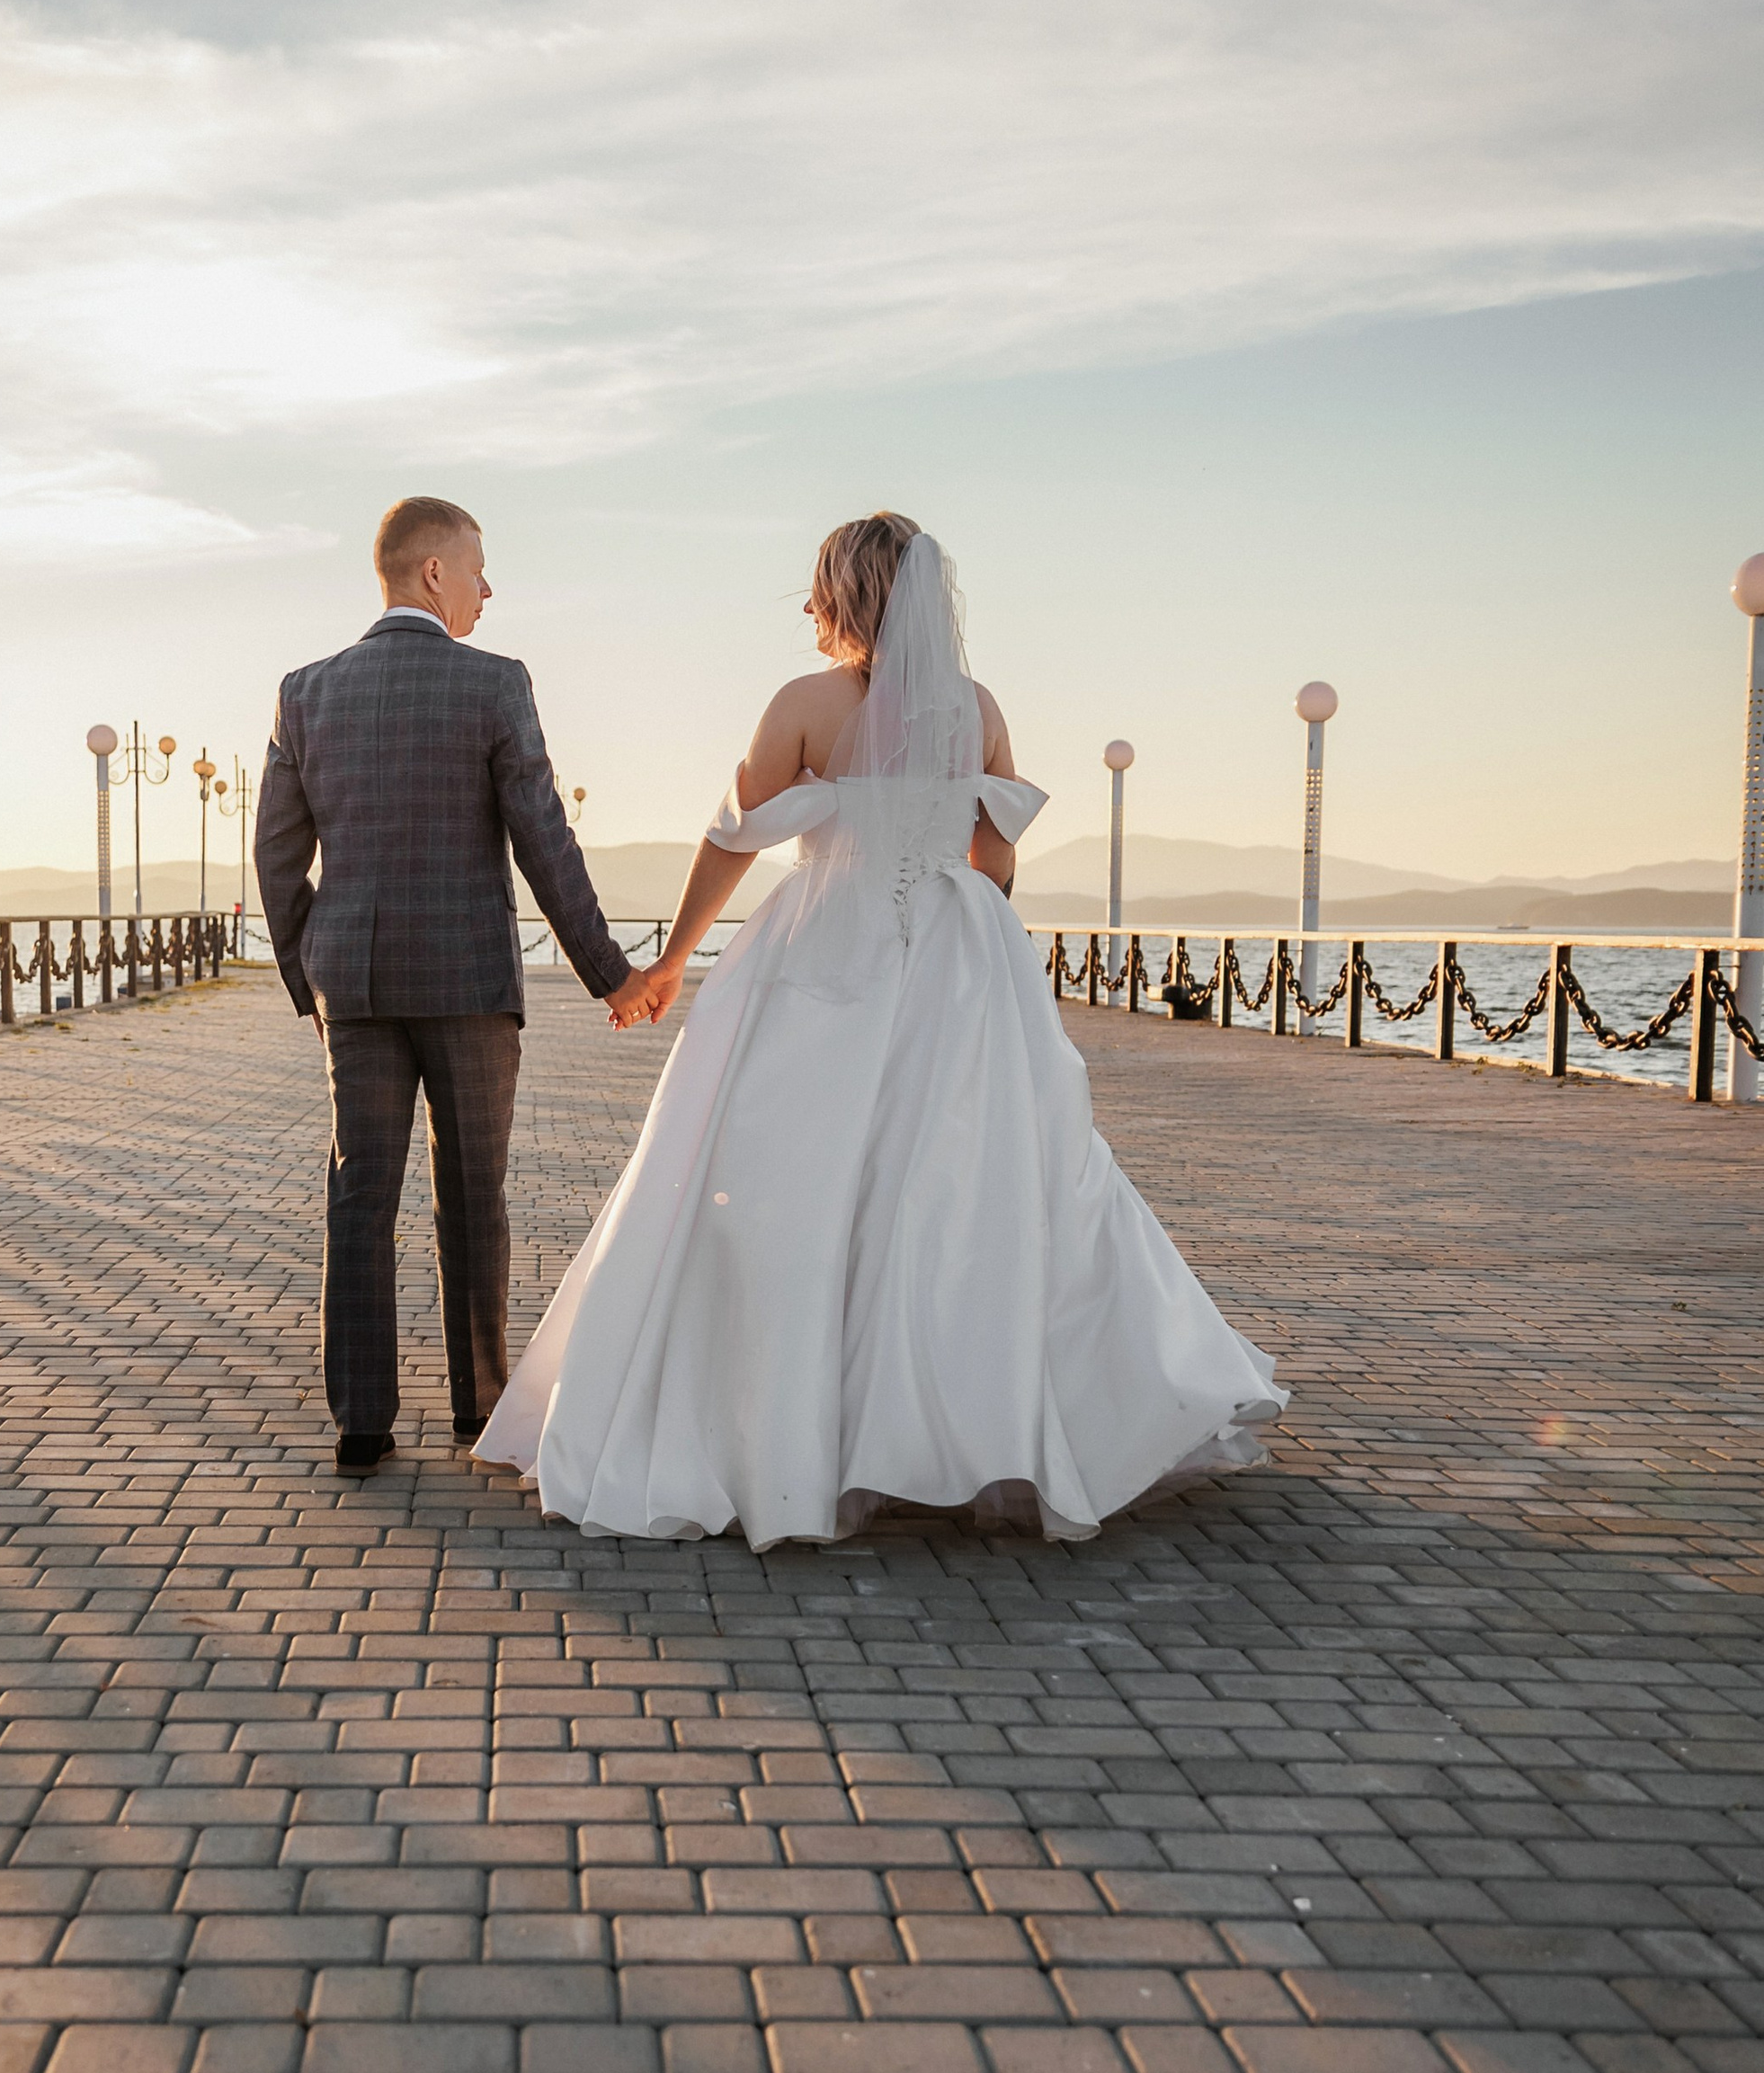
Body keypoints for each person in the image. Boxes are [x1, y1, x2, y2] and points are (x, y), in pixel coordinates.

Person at [476, 512, 1282, 1544]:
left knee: (790, 1174)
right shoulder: (976, 708)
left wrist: (671, 961)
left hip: (827, 941)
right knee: (969, 1180)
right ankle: (969, 1423)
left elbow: (732, 839)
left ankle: (792, 1431)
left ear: (840, 593)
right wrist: (953, 895)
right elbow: (994, 857)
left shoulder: (803, 704)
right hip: (962, 953)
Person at [255, 495, 655, 1473]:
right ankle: (479, 1406)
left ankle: (362, 1421)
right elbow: (544, 841)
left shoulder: (304, 692)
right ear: (434, 572)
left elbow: (275, 856)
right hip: (470, 980)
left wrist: (314, 977)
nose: (488, 587)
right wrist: (611, 975)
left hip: (354, 986)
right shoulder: (494, 684)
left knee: (359, 1195)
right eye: (478, 567)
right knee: (474, 1198)